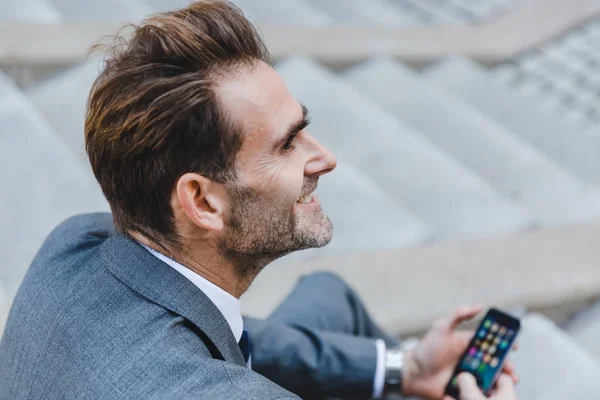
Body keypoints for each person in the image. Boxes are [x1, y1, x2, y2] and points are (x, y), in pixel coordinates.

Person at [0, 1, 518, 399]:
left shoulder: (77, 241)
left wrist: (403, 367)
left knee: (328, 294)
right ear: (202, 201)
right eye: (288, 143)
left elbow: (223, 329)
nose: (326, 159)